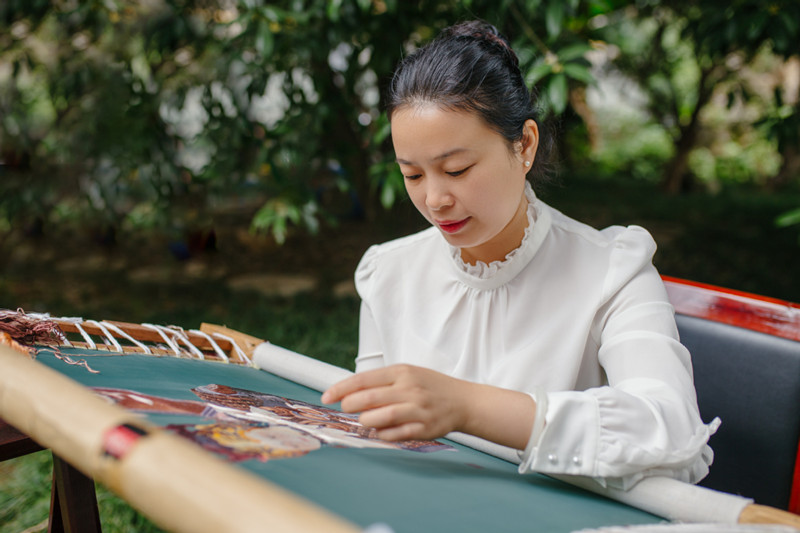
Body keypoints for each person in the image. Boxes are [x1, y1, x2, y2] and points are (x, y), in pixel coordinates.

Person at [322, 20, 718, 489]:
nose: (434, 200)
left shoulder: (613, 270)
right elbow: (375, 434)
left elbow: (672, 432)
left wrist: (467, 407)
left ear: (524, 144)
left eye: (457, 169)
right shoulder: (388, 272)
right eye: (413, 175)